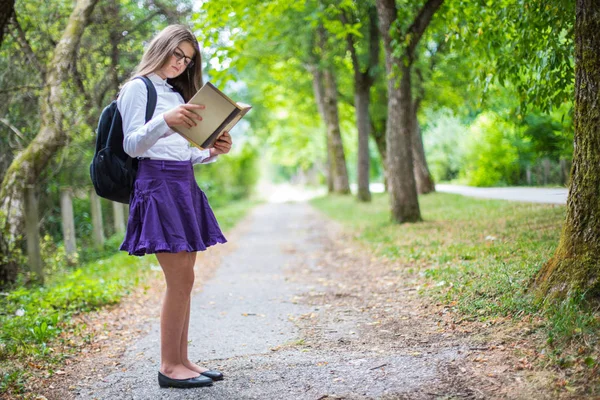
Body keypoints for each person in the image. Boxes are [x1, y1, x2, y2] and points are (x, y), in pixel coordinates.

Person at [117, 24, 231, 389]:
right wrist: (165, 120)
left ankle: (182, 360)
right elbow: (133, 145)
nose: (180, 64)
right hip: (157, 185)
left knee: (187, 278)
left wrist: (211, 152)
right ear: (161, 47)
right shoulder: (139, 88)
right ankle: (169, 366)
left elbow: (180, 153)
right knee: (179, 279)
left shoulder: (174, 93)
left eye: (187, 59)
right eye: (176, 54)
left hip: (183, 182)